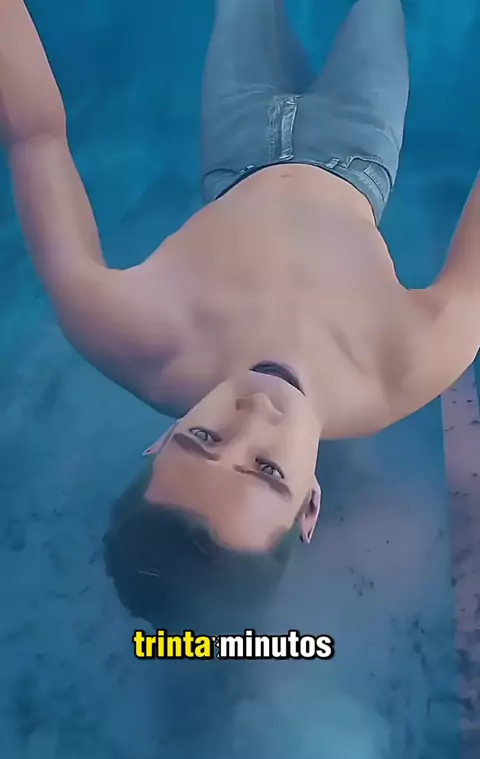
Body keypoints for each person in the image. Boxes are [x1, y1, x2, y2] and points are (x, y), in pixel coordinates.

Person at [1, 1, 479, 622]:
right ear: (310, 505)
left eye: (203, 437)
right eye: (269, 469)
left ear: (159, 441)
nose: (256, 411)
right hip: (360, 149)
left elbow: (35, 137)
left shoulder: (123, 330)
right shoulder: (406, 366)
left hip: (236, 144)